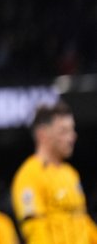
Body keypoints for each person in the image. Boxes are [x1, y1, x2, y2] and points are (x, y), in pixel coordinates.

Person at [11, 101, 97, 244]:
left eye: (72, 130)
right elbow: (34, 229)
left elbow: (83, 222)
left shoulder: (70, 173)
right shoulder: (29, 175)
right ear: (42, 135)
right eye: (64, 131)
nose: (72, 137)